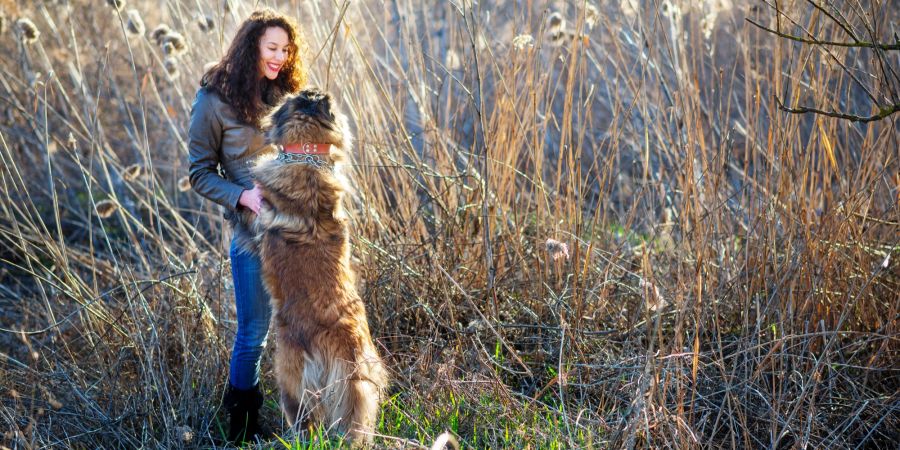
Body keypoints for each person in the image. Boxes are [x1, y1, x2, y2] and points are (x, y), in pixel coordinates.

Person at [187, 8, 306, 443]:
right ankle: (241, 427)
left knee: (300, 329)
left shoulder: (285, 94)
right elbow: (199, 172)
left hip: (297, 232)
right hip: (252, 236)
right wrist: (242, 195)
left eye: (286, 50)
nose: (279, 57)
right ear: (251, 45)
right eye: (272, 48)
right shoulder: (213, 99)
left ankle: (305, 416)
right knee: (253, 333)